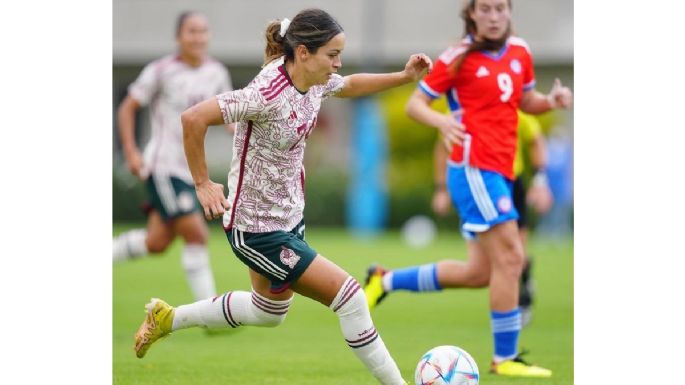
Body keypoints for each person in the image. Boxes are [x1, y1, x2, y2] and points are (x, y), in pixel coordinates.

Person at [132, 9, 432, 385]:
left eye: (340, 54)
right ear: (303, 52)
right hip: (256, 228)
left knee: (267, 312)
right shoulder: (264, 93)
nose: (337, 63)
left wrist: (404, 77)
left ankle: (168, 318)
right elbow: (193, 118)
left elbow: (350, 84)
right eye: (332, 55)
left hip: (289, 218)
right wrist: (203, 183)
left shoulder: (315, 79)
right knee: (351, 298)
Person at [363, 0, 572, 378]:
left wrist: (549, 102)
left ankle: (385, 279)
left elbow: (526, 100)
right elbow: (416, 105)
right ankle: (504, 358)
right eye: (485, 9)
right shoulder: (456, 57)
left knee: (480, 273)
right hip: (475, 169)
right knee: (512, 257)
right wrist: (442, 124)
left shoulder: (521, 51)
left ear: (509, 12)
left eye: (500, 9)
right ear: (471, 14)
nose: (494, 16)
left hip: (502, 171)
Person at [112, 11, 235, 302]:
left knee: (157, 242)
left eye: (203, 31)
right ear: (179, 36)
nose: (198, 37)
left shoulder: (217, 72)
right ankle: (210, 310)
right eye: (192, 31)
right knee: (196, 234)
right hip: (164, 166)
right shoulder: (161, 70)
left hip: (192, 169)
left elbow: (230, 118)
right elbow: (128, 107)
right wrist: (130, 150)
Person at [429, 110, 553, 327]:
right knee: (490, 266)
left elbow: (535, 140)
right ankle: (507, 334)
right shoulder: (458, 113)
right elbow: (442, 148)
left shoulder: (511, 108)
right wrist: (441, 188)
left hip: (512, 184)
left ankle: (520, 303)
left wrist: (540, 182)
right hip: (478, 186)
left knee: (514, 256)